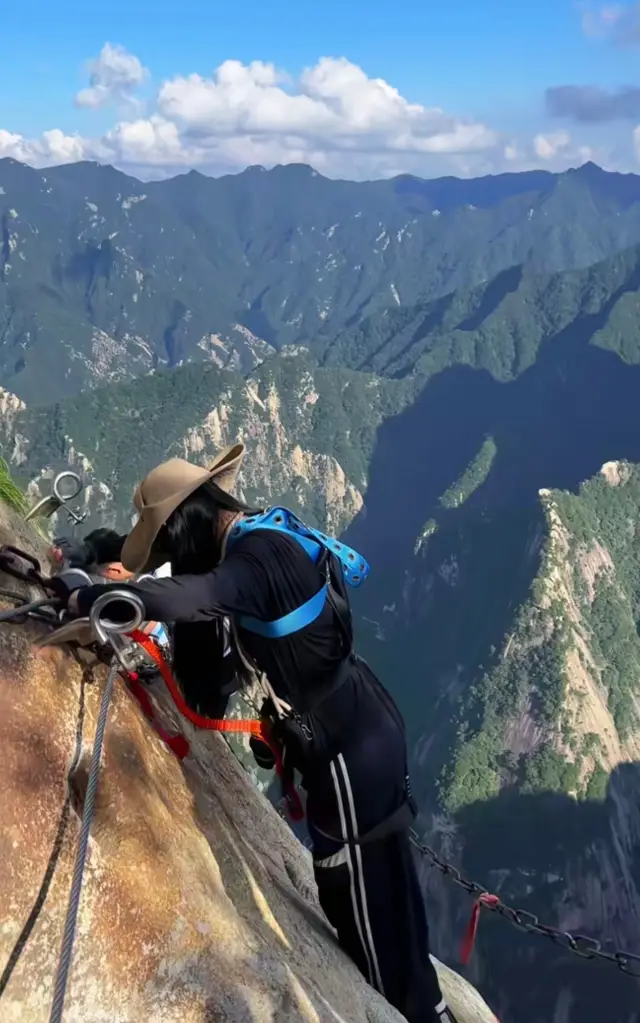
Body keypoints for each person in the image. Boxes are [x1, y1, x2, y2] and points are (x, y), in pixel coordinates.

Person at [55, 444, 456, 1023]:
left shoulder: (256, 561)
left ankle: (418, 1012)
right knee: (374, 896)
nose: (166, 557)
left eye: (167, 541)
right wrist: (95, 553)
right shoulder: (261, 534)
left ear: (186, 522)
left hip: (346, 756)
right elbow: (190, 583)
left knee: (370, 922)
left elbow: (196, 596)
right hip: (359, 727)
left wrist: (95, 597)